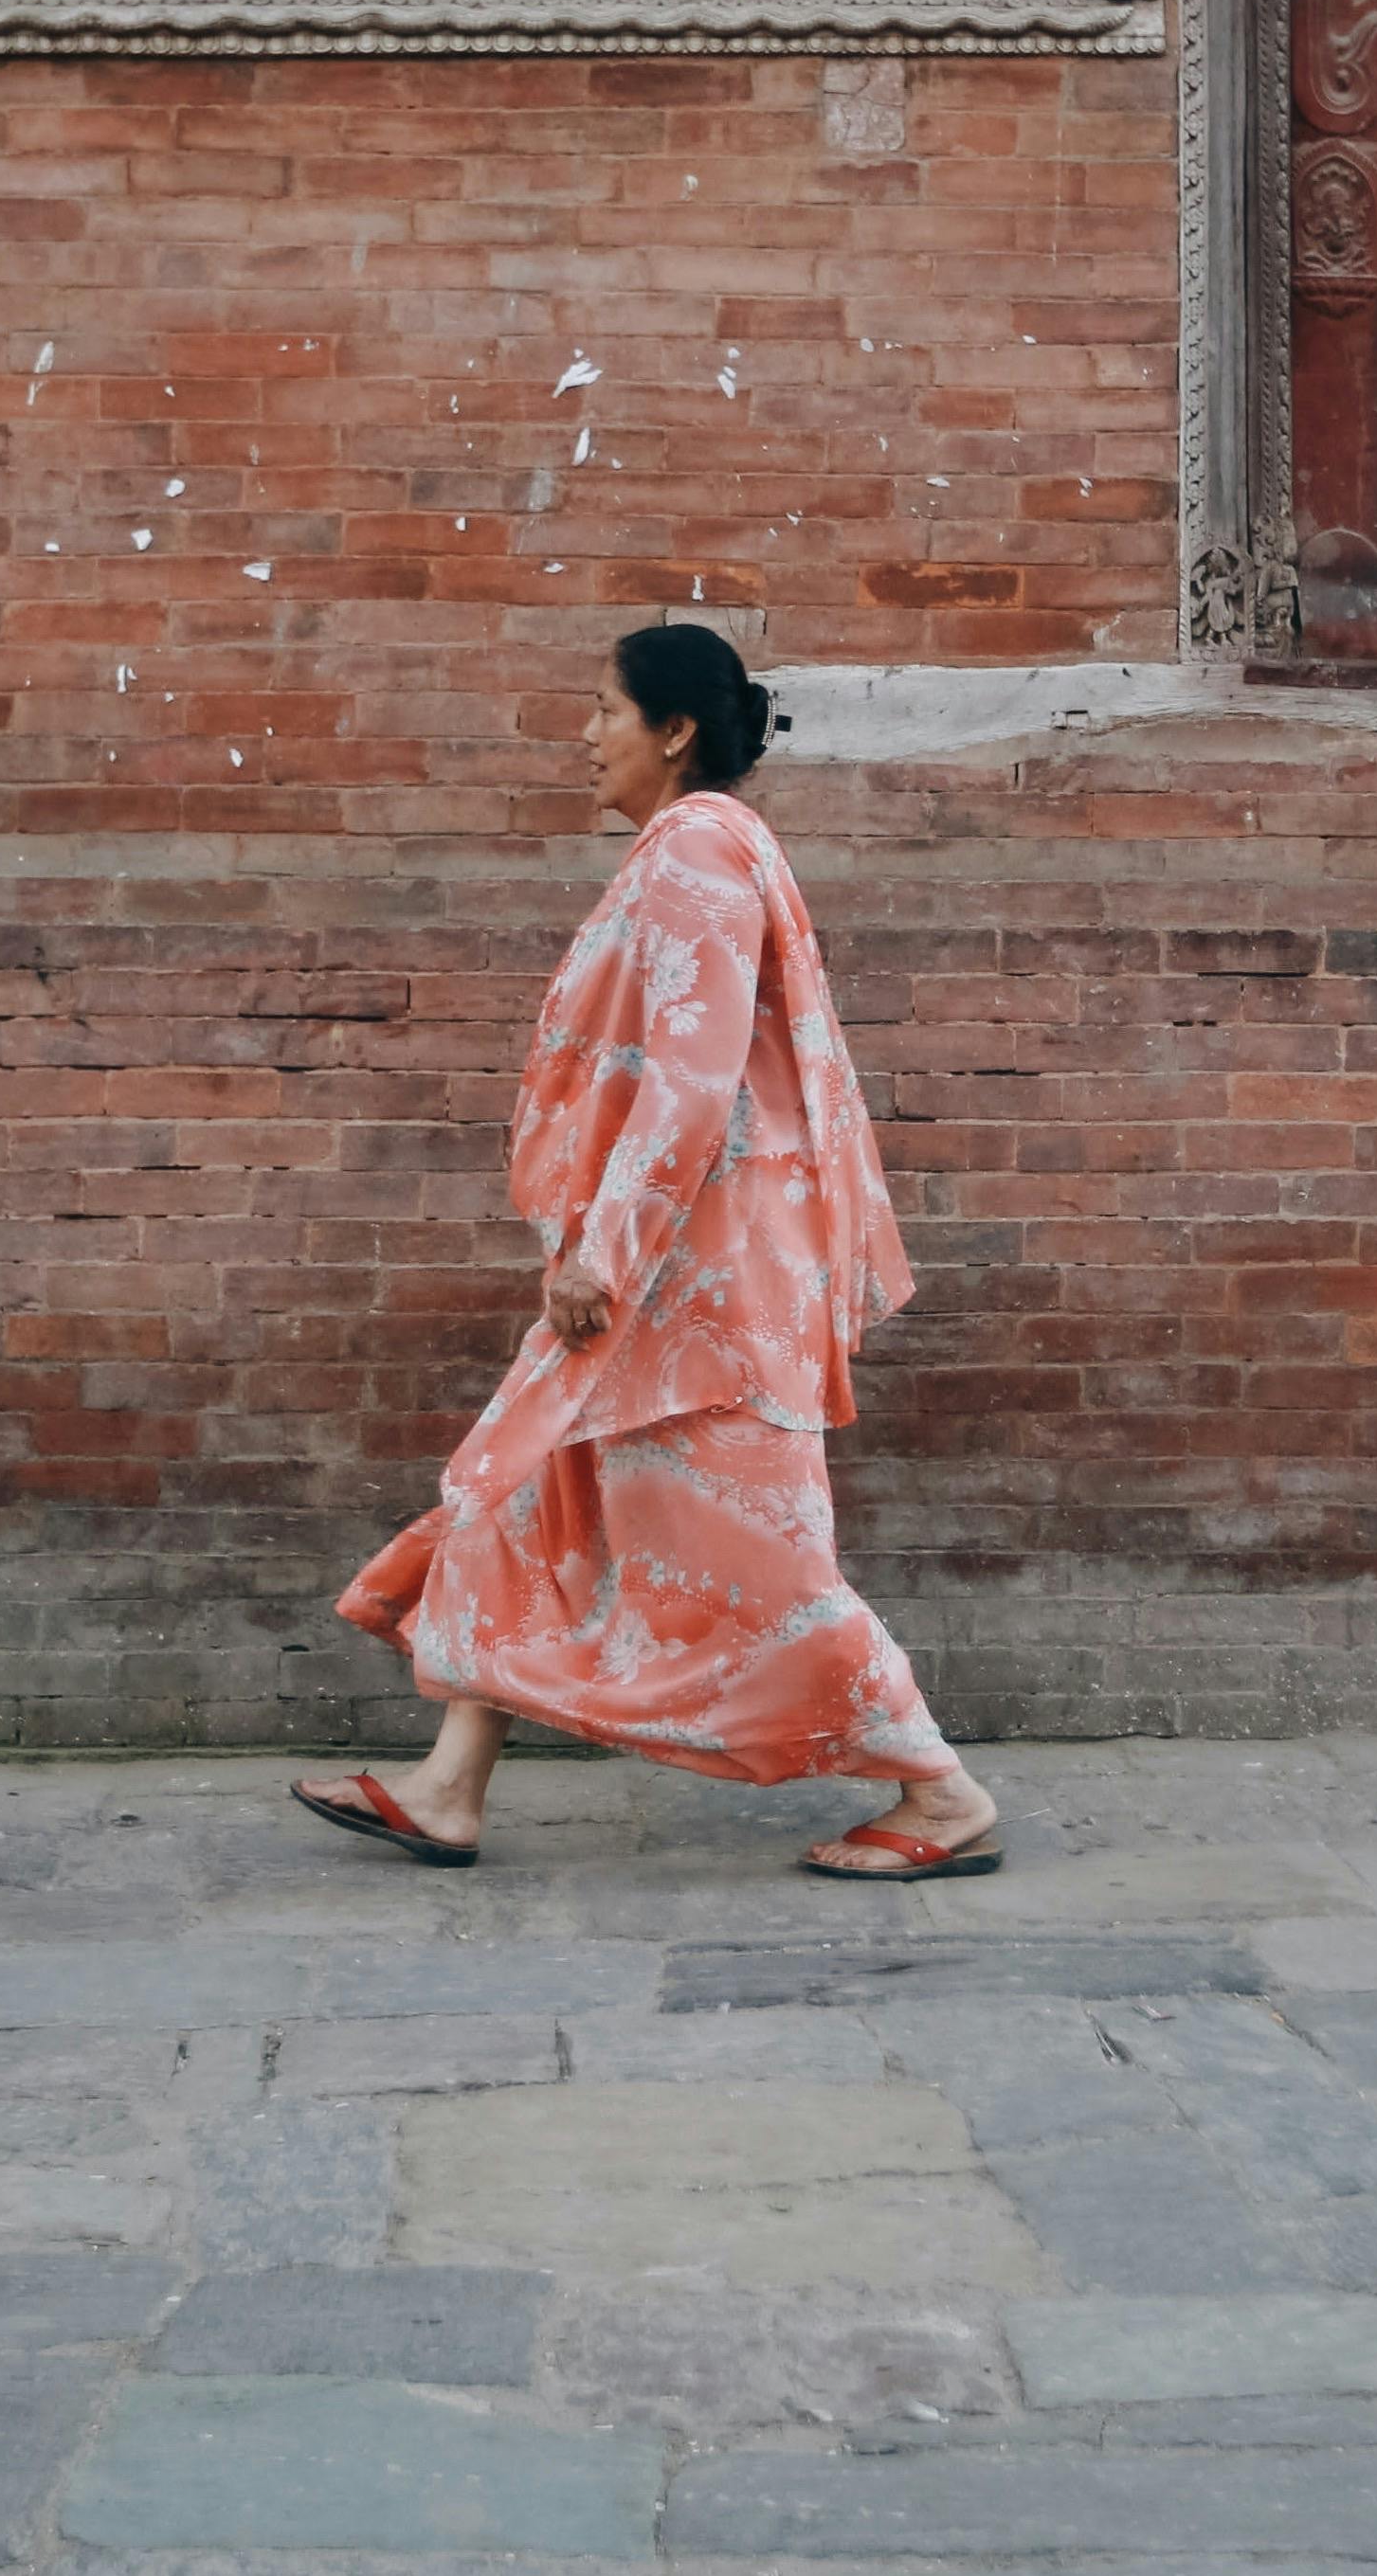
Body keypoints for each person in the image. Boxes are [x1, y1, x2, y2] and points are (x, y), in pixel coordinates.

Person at [293, 623, 999, 1881]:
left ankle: (940, 1797)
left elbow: (689, 1076)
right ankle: (450, 1785)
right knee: (522, 1492)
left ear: (672, 731)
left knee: (758, 1556)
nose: (584, 733)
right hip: (679, 1271)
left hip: (698, 1288)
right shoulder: (695, 850)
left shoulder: (696, 850)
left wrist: (603, 1252)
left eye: (602, 708)